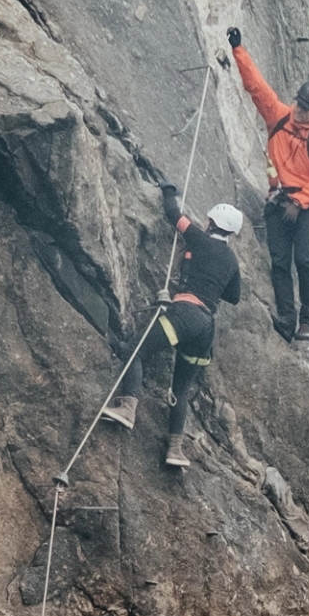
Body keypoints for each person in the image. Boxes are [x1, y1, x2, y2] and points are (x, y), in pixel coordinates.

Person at [225, 27, 309, 341]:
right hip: (278, 201)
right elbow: (257, 87)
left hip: (305, 206)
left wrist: (300, 203)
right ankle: (286, 319)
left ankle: (308, 320)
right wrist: (238, 49)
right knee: (280, 262)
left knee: (305, 259)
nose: (299, 109)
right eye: (298, 103)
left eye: (305, 107)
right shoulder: (280, 117)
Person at [131, 198, 245, 469]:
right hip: (205, 331)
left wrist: (168, 190)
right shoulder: (231, 259)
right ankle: (175, 448)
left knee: (136, 351)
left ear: (212, 223)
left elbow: (174, 215)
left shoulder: (199, 239)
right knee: (180, 390)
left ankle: (127, 407)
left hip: (186, 314)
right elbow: (234, 296)